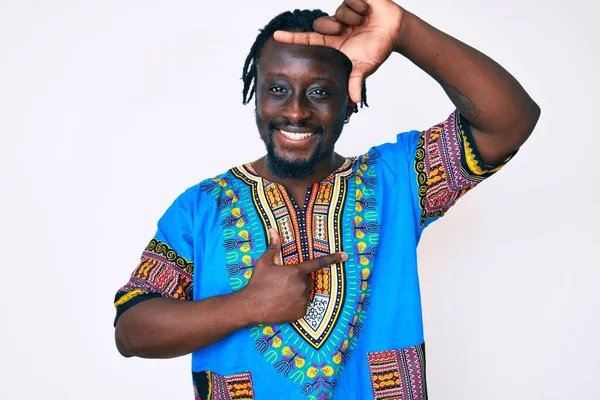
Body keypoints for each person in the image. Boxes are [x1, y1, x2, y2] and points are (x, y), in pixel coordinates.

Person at [113, 0, 540, 398]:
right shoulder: (202, 207)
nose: (296, 112)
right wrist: (247, 305)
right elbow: (131, 331)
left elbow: (509, 122)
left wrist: (405, 31)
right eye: (277, 89)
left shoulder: (396, 181)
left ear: (350, 101)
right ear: (255, 94)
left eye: (319, 92)